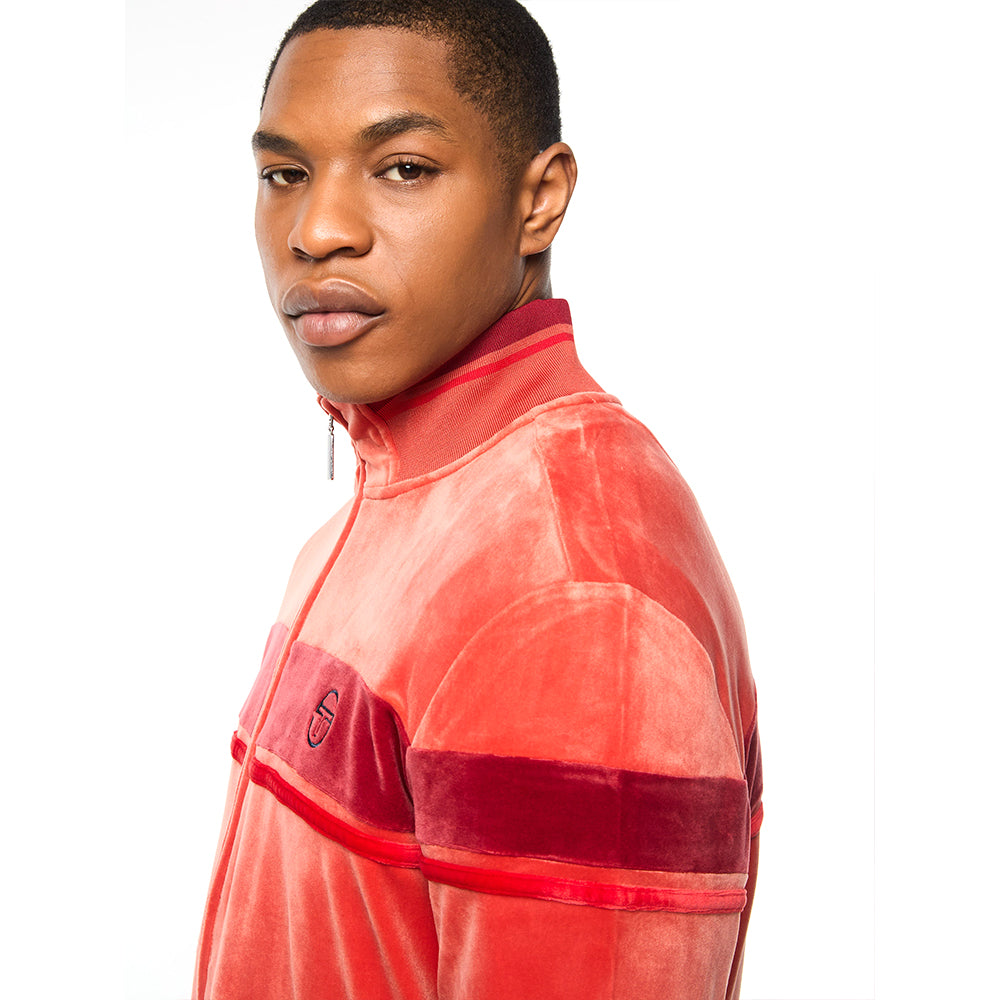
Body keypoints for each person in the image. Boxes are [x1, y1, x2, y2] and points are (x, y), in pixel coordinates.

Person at [193, 2, 762, 997]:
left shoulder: (572, 590)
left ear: (539, 199)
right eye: (284, 174)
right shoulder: (399, 500)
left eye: (403, 168)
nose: (317, 231)